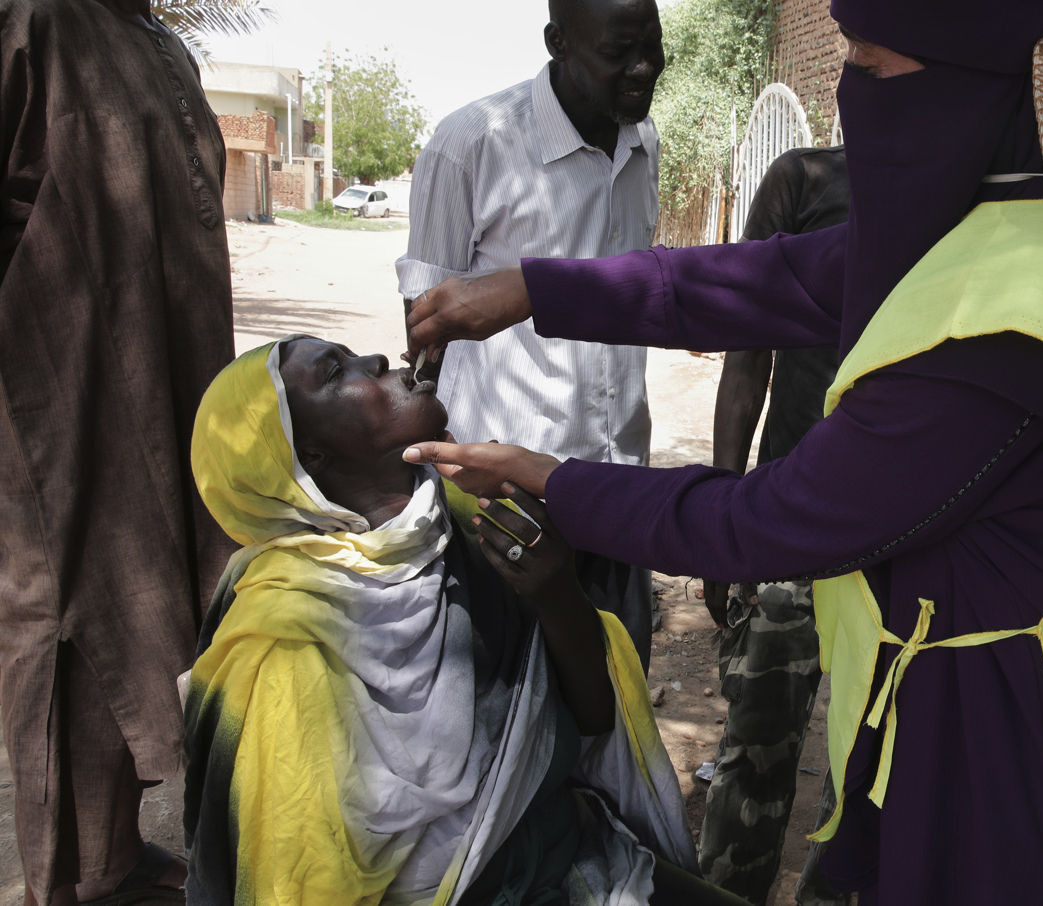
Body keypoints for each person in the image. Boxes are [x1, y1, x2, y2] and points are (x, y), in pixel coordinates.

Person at [401, 6, 1043, 905]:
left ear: (966, 94)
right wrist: (534, 289)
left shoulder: (1014, 328)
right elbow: (763, 278)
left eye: (869, 63)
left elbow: (767, 520)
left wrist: (549, 479)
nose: (847, 90)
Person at [183, 337, 754, 906]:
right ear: (311, 457)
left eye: (351, 353)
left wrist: (556, 594)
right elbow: (299, 875)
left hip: (565, 860)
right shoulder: (282, 633)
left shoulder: (474, 523)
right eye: (335, 372)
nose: (376, 361)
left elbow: (593, 719)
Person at [0, 1, 235, 903]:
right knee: (68, 617)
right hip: (56, 403)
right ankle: (70, 880)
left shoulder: (159, 39)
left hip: (167, 381)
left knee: (151, 601)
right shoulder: (33, 20)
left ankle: (115, 855)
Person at [396, 0, 666, 672]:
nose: (643, 68)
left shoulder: (643, 142)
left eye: (653, 47)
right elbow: (425, 329)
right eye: (619, 51)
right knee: (514, 702)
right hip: (507, 507)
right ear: (558, 42)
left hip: (619, 489)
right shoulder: (472, 143)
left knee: (617, 695)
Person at [698, 146, 849, 906]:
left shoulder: (957, 192)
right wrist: (725, 520)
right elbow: (746, 350)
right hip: (791, 518)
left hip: (905, 538)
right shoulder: (803, 181)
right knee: (756, 743)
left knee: (870, 765)